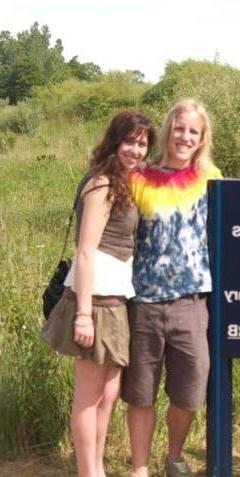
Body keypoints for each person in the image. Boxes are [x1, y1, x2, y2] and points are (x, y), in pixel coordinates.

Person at [42, 110, 155, 477]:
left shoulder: (126, 183)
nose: (135, 150)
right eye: (129, 141)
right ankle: (87, 472)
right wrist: (84, 315)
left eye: (142, 144)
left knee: (107, 395)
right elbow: (86, 251)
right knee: (89, 399)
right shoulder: (102, 184)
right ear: (114, 142)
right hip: (94, 301)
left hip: (116, 300)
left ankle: (97, 467)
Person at [121, 99, 222, 477]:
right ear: (169, 130)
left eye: (193, 131)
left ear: (201, 138)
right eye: (180, 128)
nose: (185, 136)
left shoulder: (210, 177)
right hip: (144, 302)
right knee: (141, 392)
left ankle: (174, 456)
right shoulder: (139, 177)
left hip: (191, 303)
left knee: (191, 391)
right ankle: (140, 467)